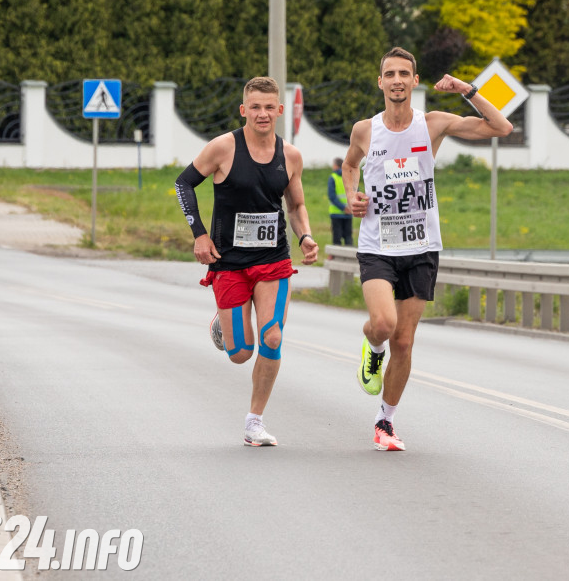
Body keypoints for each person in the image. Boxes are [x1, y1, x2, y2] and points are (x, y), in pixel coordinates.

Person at [342, 47, 513, 451]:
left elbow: (502, 128)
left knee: (404, 340)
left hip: (421, 246)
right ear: (380, 82)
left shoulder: (432, 124)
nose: (397, 80)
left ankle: (385, 422)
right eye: (390, 74)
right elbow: (350, 166)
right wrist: (352, 194)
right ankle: (372, 344)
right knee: (384, 325)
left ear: (415, 81)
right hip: (377, 244)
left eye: (405, 73)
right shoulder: (364, 130)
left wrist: (467, 90)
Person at [175, 76, 318, 447]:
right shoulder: (223, 148)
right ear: (244, 110)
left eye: (269, 107)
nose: (262, 114)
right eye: (255, 107)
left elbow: (297, 204)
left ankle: (255, 421)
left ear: (280, 111)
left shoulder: (291, 156)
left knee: (273, 335)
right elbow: (183, 184)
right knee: (241, 353)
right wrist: (200, 234)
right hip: (229, 262)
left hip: (273, 260)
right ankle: (223, 326)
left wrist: (305, 235)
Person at [328, 157, 353, 247]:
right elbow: (355, 192)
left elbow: (332, 196)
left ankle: (335, 258)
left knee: (336, 239)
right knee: (348, 237)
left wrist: (343, 208)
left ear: (335, 166)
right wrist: (349, 208)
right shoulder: (350, 176)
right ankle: (349, 259)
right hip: (349, 212)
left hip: (336, 213)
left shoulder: (333, 177)